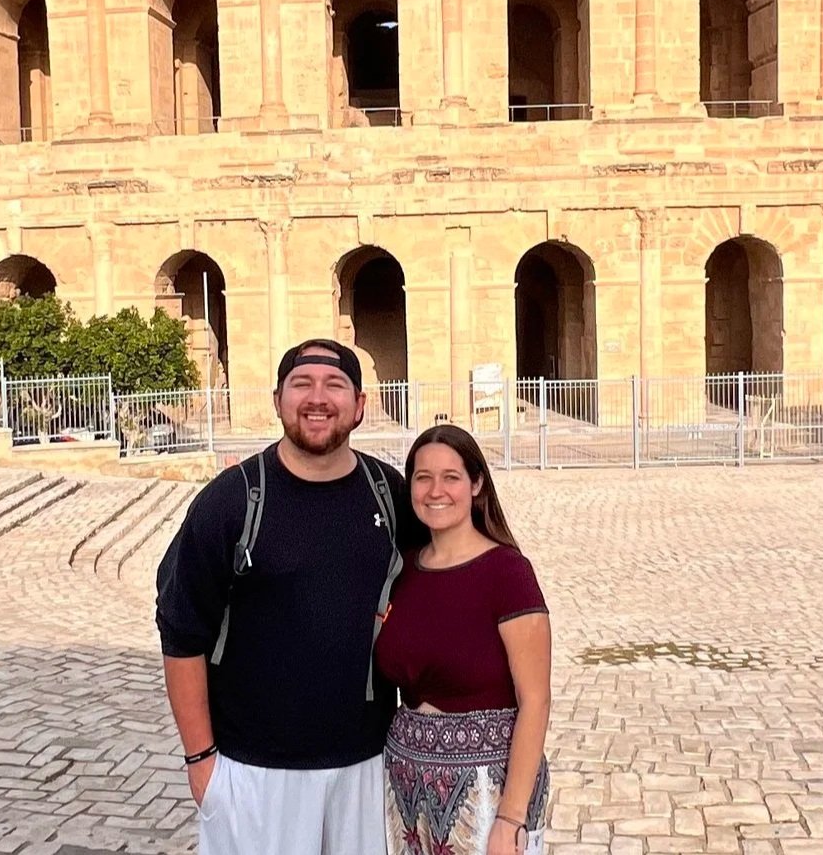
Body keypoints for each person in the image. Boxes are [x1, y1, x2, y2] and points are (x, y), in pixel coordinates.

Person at [155, 338, 423, 855]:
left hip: (365, 769)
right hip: (255, 772)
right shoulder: (231, 501)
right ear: (278, 400)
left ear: (360, 405)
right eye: (302, 384)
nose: (317, 398)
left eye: (334, 385)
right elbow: (181, 632)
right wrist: (201, 761)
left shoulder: (387, 493)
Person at [377, 424, 551, 855]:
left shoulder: (507, 573)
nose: (436, 490)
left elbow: (536, 700)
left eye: (451, 477)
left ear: (476, 484)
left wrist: (510, 818)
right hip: (406, 789)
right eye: (423, 477)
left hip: (484, 795)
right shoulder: (405, 570)